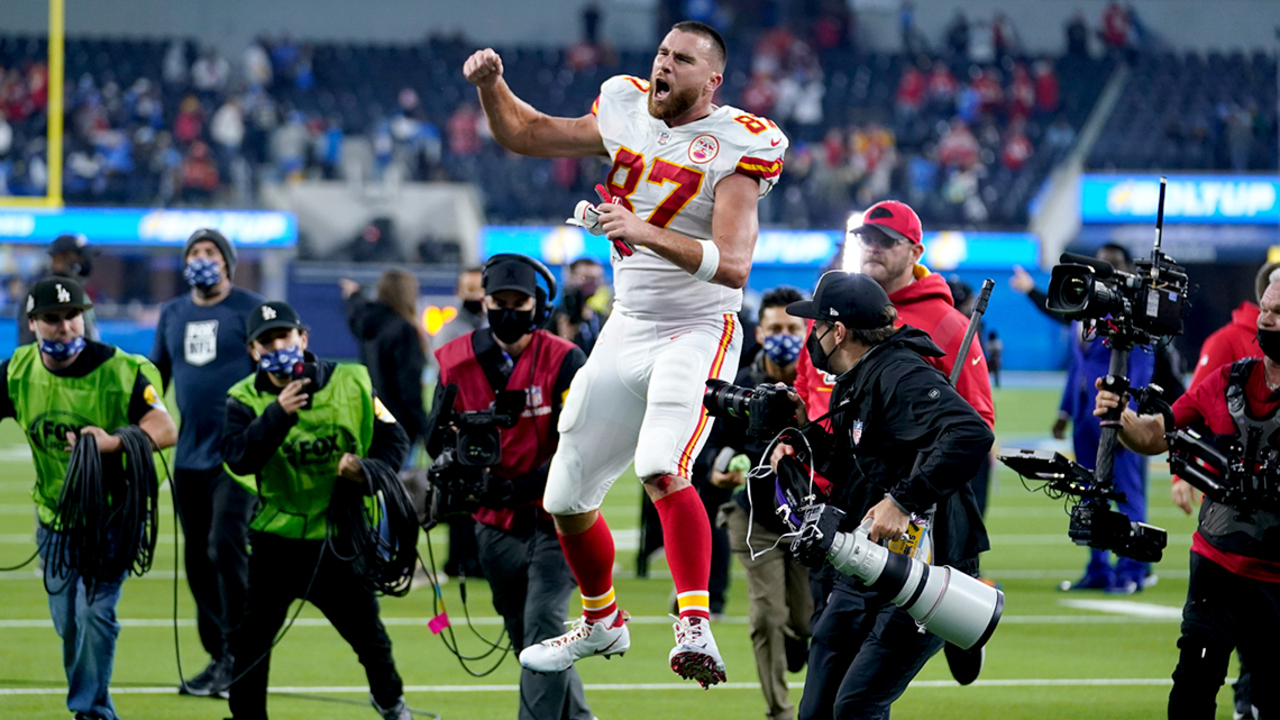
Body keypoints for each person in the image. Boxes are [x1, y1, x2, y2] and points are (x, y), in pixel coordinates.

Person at [464, 19, 787, 686]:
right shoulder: (623, 105)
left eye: (683, 59)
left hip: (699, 327)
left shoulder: (739, 143)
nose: (664, 65)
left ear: (712, 80)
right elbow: (526, 133)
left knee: (661, 464)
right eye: (663, 52)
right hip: (628, 324)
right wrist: (493, 86)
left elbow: (732, 267)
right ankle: (603, 620)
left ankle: (693, 625)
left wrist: (643, 229)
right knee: (566, 495)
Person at [773, 271, 992, 720]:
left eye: (815, 327)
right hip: (868, 561)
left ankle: (957, 630)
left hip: (925, 566)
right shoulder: (859, 378)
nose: (810, 337)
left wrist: (903, 499)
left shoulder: (899, 373)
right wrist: (799, 430)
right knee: (817, 709)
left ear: (838, 332)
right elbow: (858, 468)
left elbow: (970, 432)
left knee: (856, 705)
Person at [1093, 279, 1280, 720]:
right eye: (1266, 308)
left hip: (1276, 580)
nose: (1266, 318)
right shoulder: (1228, 380)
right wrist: (1122, 417)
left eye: (1278, 312)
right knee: (1192, 691)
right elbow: (1157, 434)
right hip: (1217, 566)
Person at [222, 301, 413, 720]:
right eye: (266, 341)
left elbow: (394, 438)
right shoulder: (243, 399)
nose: (277, 347)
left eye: (284, 337)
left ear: (303, 339)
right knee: (251, 642)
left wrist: (365, 471)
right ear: (253, 350)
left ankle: (391, 702)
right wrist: (277, 415)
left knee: (370, 638)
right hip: (277, 540)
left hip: (341, 537)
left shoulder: (354, 380)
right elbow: (238, 457)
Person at [1, 276, 177, 720]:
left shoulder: (120, 369)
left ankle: (91, 711)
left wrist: (113, 442)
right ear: (34, 323)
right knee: (69, 623)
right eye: (52, 319)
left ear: (85, 317)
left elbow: (165, 428)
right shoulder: (17, 371)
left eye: (72, 316)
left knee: (97, 614)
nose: (65, 327)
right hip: (56, 518)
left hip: (113, 517)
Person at [431, 254, 591, 720]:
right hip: (492, 518)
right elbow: (433, 436)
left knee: (544, 619)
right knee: (525, 632)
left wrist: (522, 485)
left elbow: (578, 446)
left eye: (517, 301)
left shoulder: (565, 360)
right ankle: (578, 717)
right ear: (484, 301)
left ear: (537, 304)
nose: (507, 310)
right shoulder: (454, 360)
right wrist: (458, 470)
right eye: (498, 301)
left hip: (557, 514)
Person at [150, 228, 265, 697]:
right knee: (197, 560)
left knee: (224, 546)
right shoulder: (172, 313)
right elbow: (155, 379)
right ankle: (219, 655)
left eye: (211, 252)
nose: (202, 259)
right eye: (194, 252)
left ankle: (242, 651)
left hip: (237, 456)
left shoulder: (251, 309)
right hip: (190, 457)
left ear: (227, 262)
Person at [1009, 245, 1157, 593]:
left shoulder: (1132, 316)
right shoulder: (1088, 311)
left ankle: (1132, 570)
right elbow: (1080, 364)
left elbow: (1140, 368)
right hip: (1084, 416)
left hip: (1116, 417)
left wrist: (1129, 417)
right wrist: (1064, 410)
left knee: (1125, 493)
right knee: (1090, 493)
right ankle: (1098, 568)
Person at [705, 285, 813, 720]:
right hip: (754, 519)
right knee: (767, 616)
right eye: (775, 327)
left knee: (805, 621)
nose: (784, 334)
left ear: (807, 330)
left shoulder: (820, 386)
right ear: (761, 332)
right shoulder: (740, 386)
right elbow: (713, 445)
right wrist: (717, 468)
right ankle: (780, 711)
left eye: (792, 327)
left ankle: (797, 634)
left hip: (809, 522)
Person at [432, 265, 486, 576]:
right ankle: (459, 559)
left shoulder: (492, 326)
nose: (475, 296)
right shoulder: (450, 330)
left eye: (480, 289)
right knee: (460, 491)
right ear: (458, 293)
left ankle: (476, 556)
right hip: (459, 419)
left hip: (486, 420)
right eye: (469, 289)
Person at [340, 269, 431, 451]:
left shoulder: (369, 325)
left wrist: (354, 294)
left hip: (370, 420)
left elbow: (357, 310)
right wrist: (424, 428)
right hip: (400, 427)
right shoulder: (404, 330)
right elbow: (408, 385)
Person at [18, 234, 99, 346]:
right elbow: (30, 341)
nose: (84, 262)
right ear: (59, 258)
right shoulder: (44, 292)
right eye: (79, 257)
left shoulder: (75, 290)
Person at [551, 257, 609, 355]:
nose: (593, 283)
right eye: (587, 278)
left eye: (597, 279)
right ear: (571, 278)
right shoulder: (555, 318)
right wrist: (564, 339)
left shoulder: (602, 319)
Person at [435, 266, 487, 348]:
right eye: (471, 289)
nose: (477, 295)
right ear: (458, 292)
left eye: (481, 290)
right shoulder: (449, 332)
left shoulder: (494, 326)